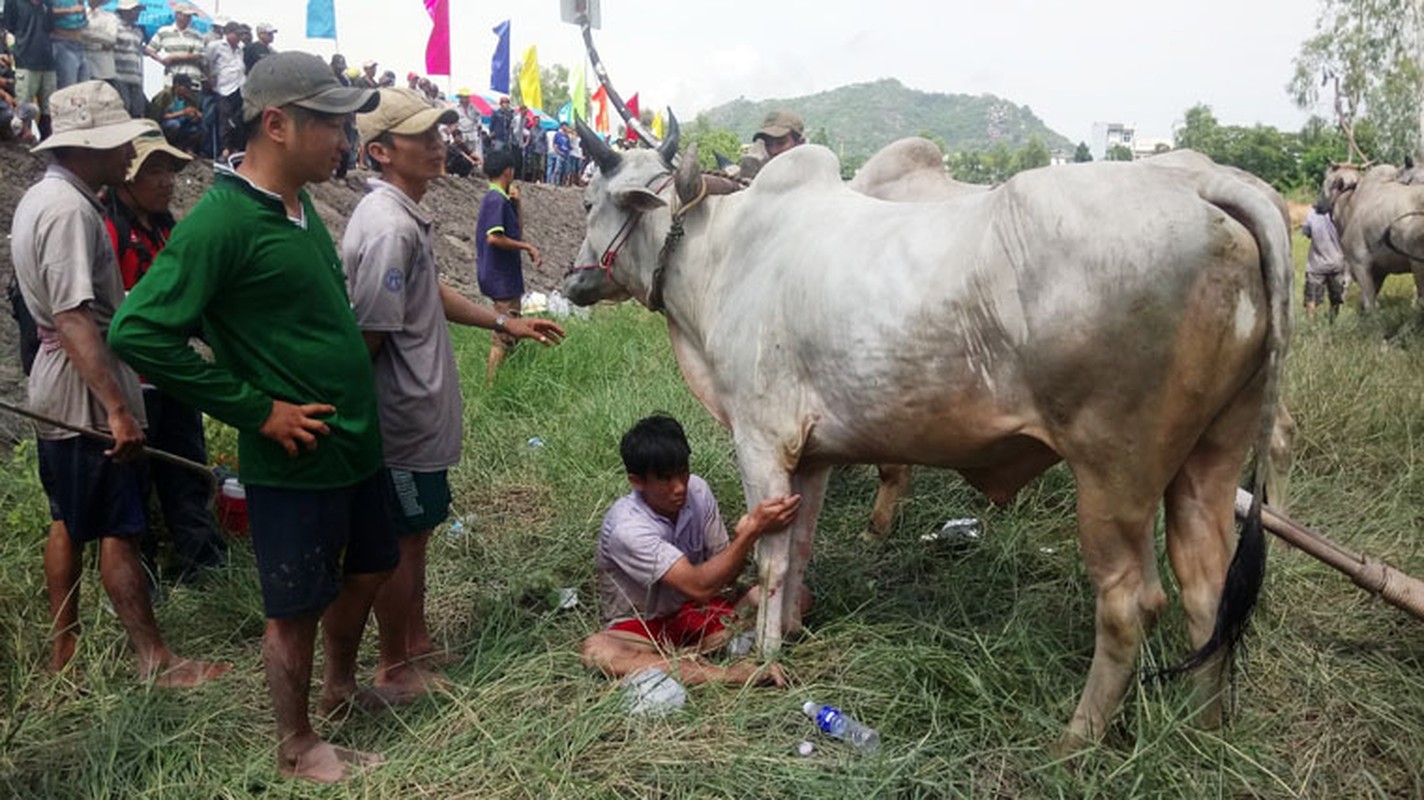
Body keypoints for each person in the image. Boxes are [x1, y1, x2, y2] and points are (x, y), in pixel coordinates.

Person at [109, 52, 387, 784]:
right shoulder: (223, 221)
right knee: (292, 606)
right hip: (295, 458)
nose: (344, 140)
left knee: (369, 567)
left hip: (353, 446)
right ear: (277, 122)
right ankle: (295, 745)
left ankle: (342, 688)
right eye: (331, 123)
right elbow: (137, 331)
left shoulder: (298, 208)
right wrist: (257, 410)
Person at [345, 88, 565, 699]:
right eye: (425, 136)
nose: (441, 144)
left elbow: (428, 292)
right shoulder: (388, 227)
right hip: (401, 417)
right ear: (381, 151)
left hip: (418, 413)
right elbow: (369, 334)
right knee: (403, 542)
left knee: (417, 537)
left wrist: (503, 322)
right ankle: (395, 666)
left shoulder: (402, 217)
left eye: (441, 132)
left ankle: (414, 642)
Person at [10, 81, 230, 687]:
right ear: (89, 147)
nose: (125, 155)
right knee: (119, 529)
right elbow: (74, 316)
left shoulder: (47, 199)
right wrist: (116, 408)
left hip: (61, 386)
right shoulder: (70, 211)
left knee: (70, 522)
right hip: (83, 393)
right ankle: (155, 660)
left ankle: (66, 655)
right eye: (117, 144)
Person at [580, 415, 799, 687]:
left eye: (682, 471)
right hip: (644, 629)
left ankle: (688, 658)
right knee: (599, 651)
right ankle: (726, 673)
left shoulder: (698, 489)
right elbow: (699, 586)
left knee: (795, 595)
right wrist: (749, 534)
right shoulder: (627, 527)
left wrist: (746, 540)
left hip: (697, 613)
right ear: (637, 482)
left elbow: (725, 579)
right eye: (665, 479)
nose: (679, 487)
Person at [102, 130, 228, 583]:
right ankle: (145, 576)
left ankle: (201, 564)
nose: (166, 182)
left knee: (187, 468)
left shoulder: (167, 229)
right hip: (132, 381)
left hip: (174, 372)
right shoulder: (108, 229)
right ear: (126, 178)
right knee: (137, 481)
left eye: (169, 170)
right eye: (153, 170)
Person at [475, 148, 543, 382]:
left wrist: (517, 204)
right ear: (508, 171)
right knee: (503, 331)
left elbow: (517, 232)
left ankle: (507, 376)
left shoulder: (502, 200)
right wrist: (528, 248)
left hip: (504, 275)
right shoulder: (495, 200)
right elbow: (494, 238)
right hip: (500, 276)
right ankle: (491, 384)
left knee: (512, 325)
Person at [4, 0, 57, 140]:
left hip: (48, 61)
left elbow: (50, 27)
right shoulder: (13, 3)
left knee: (49, 108)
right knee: (23, 109)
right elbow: (9, 28)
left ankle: (48, 144)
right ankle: (22, 148)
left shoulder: (47, 3)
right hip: (25, 61)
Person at [204, 20, 245, 157]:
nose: (239, 38)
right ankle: (225, 148)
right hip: (223, 87)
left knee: (238, 117)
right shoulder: (215, 46)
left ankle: (236, 146)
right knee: (224, 117)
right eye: (236, 34)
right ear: (228, 33)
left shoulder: (240, 49)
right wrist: (210, 78)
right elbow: (206, 62)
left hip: (239, 86)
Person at [1303, 197, 1347, 322]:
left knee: (1311, 298)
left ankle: (1311, 324)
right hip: (1337, 263)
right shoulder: (1338, 217)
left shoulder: (1311, 215)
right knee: (1336, 298)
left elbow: (1306, 233)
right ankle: (1333, 321)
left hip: (1316, 264)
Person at [144, 4, 205, 88]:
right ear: (177, 15)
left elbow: (198, 55)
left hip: (192, 79)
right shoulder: (164, 32)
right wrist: (161, 60)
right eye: (186, 15)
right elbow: (149, 50)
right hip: (171, 79)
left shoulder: (197, 35)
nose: (189, 18)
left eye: (190, 16)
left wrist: (174, 57)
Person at [111, 0, 146, 119]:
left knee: (136, 112)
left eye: (138, 10)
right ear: (125, 11)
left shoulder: (138, 31)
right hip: (119, 75)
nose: (137, 13)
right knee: (123, 110)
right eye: (134, 10)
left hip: (135, 77)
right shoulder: (114, 26)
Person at [150, 73, 202, 152]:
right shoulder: (165, 95)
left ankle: (185, 147)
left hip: (183, 124)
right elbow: (158, 117)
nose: (188, 90)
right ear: (177, 85)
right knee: (174, 124)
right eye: (186, 87)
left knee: (198, 128)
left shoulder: (188, 98)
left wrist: (195, 115)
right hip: (164, 126)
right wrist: (182, 112)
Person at [48, 0, 90, 89]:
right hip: (63, 43)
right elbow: (47, 11)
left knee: (85, 87)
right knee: (68, 88)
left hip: (81, 44)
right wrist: (70, 10)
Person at [80, 0, 118, 91]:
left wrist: (88, 36)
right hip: (84, 68)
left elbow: (112, 39)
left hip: (104, 71)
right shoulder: (81, 15)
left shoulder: (110, 17)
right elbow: (80, 33)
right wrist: (100, 41)